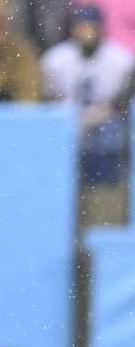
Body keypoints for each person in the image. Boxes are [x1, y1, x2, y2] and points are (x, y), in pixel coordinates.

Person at [42, 4, 135, 228]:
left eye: (91, 27)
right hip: (65, 128)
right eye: (82, 26)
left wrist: (98, 116)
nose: (87, 32)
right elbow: (47, 100)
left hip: (104, 127)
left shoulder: (121, 59)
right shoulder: (55, 60)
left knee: (109, 134)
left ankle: (105, 197)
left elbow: (121, 103)